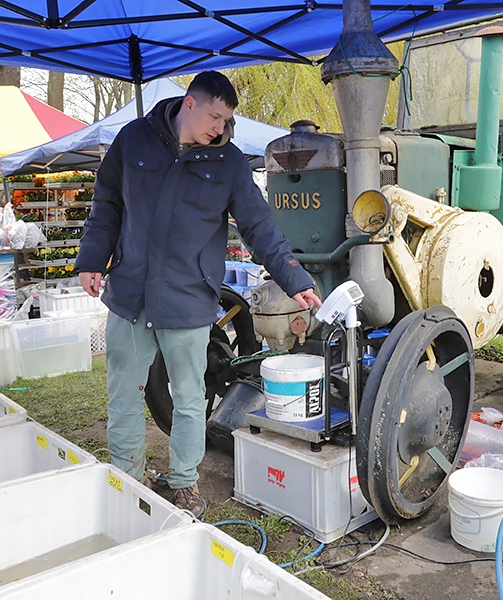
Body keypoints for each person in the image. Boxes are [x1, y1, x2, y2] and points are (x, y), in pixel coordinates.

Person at [75, 71, 321, 517]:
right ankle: (128, 479)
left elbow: (259, 226)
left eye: (227, 120)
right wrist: (92, 259)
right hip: (129, 293)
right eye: (214, 116)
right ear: (189, 103)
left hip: (188, 299)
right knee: (123, 393)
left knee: (189, 398)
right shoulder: (134, 140)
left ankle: (184, 483)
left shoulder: (228, 162)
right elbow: (107, 203)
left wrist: (296, 280)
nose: (220, 127)